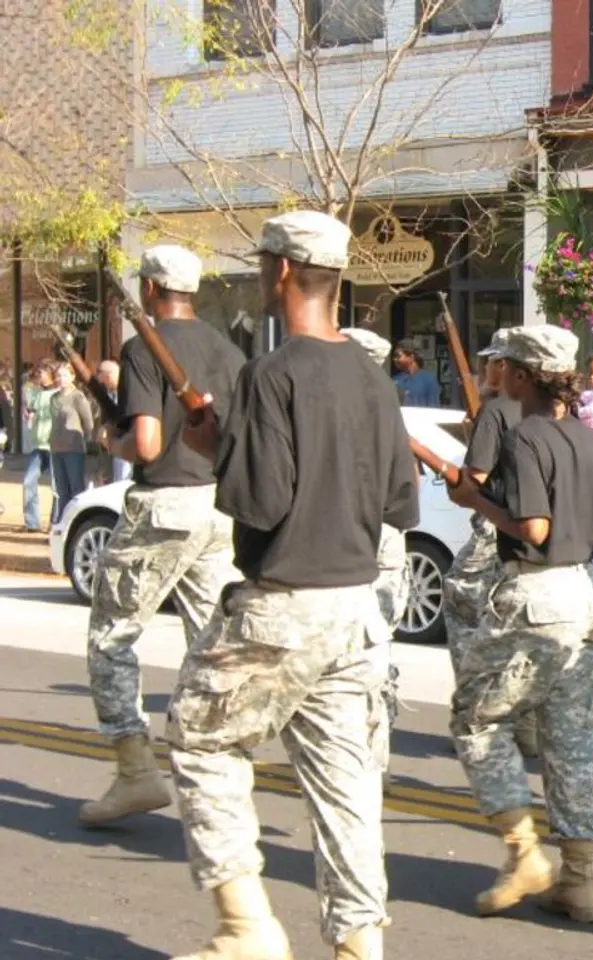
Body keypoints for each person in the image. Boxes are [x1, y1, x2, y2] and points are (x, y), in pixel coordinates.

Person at [169, 210, 419, 960]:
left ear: (280, 270)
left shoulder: (270, 375)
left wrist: (216, 447)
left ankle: (246, 929)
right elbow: (397, 502)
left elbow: (262, 501)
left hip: (282, 602)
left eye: (261, 264)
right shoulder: (375, 381)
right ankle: (359, 946)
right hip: (356, 609)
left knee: (201, 739)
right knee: (347, 788)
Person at [445, 325, 593, 924]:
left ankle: (524, 853)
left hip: (537, 593)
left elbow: (532, 528)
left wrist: (475, 502)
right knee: (571, 736)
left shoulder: (524, 437)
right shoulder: (588, 439)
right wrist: (583, 534)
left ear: (522, 375)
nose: (497, 373)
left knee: (476, 718)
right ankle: (580, 881)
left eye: (505, 364)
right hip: (586, 593)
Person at [79, 245, 246, 828]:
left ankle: (135, 770)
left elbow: (146, 444)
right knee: (211, 642)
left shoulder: (142, 347)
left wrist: (112, 440)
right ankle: (219, 766)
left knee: (111, 638)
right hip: (218, 507)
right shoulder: (227, 349)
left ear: (150, 289)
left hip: (164, 506)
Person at [441, 327, 540, 759]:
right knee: (520, 627)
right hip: (537, 529)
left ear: (504, 365)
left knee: (464, 611)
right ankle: (527, 725)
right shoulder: (547, 408)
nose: (482, 370)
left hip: (494, 527)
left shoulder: (496, 409)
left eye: (489, 362)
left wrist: (451, 473)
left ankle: (475, 720)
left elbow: (476, 477)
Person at [341, 325, 418, 787]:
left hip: (358, 538)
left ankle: (363, 755)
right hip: (384, 536)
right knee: (375, 648)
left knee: (353, 652)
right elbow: (408, 490)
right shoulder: (390, 410)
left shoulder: (346, 410)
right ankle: (374, 755)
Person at [48, 362, 95, 522]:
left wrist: (88, 442)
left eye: (64, 375)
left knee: (76, 489)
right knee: (61, 490)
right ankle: (63, 522)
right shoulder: (54, 398)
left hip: (73, 448)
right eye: (58, 375)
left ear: (72, 377)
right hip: (56, 447)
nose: (60, 379)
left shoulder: (78, 397)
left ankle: (77, 521)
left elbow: (88, 423)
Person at [22, 361, 56, 531]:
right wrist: (29, 415)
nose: (38, 376)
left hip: (54, 446)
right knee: (29, 481)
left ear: (50, 374)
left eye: (41, 373)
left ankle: (55, 523)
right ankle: (32, 523)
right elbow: (31, 411)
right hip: (39, 445)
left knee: (56, 487)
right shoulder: (36, 392)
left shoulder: (57, 394)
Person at [94, 359, 133, 483]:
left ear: (108, 375)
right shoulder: (112, 393)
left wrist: (109, 428)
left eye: (103, 381)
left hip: (126, 443)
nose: (103, 384)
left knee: (123, 481)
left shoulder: (129, 391)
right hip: (114, 444)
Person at [393, 338, 441, 407]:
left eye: (398, 356)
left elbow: (434, 408)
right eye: (395, 356)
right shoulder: (395, 380)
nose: (395, 359)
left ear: (411, 357)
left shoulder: (429, 380)